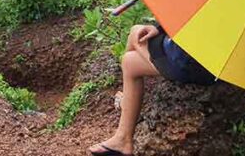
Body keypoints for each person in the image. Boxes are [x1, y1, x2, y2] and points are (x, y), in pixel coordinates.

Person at [88, 23, 216, 156]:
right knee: (129, 62)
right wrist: (159, 28)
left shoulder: (210, 4)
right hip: (211, 69)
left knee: (135, 32)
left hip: (182, 62)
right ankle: (122, 139)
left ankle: (126, 109)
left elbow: (185, 17)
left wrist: (160, 27)